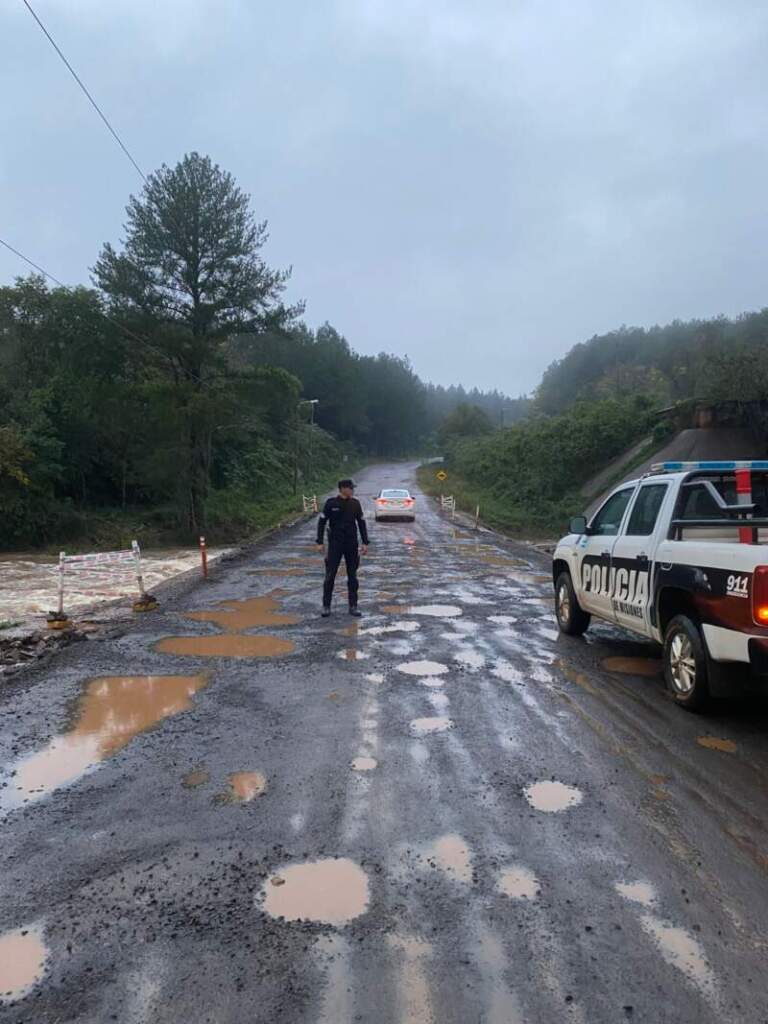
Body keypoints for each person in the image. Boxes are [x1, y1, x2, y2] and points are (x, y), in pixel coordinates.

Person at [316, 479, 369, 616]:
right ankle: (326, 606)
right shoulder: (331, 503)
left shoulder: (355, 504)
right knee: (330, 575)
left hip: (351, 544)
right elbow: (322, 522)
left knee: (352, 576)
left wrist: (365, 542)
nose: (352, 490)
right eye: (350, 488)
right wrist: (320, 542)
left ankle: (353, 606)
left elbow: (361, 523)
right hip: (335, 544)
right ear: (343, 489)